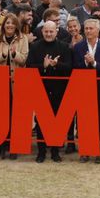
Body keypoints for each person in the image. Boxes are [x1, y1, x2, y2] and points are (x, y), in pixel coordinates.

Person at [28, 20, 72, 163]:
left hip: (59, 90)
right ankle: (41, 151)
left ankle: (55, 151)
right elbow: (29, 67)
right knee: (40, 122)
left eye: (51, 31)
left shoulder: (64, 47)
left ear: (56, 32)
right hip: (41, 89)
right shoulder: (35, 47)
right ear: (42, 32)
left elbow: (70, 67)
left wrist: (56, 64)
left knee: (57, 121)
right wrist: (43, 66)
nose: (48, 34)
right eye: (46, 31)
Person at [72, 18, 100, 162]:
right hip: (83, 89)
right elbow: (75, 68)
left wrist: (94, 63)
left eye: (91, 28)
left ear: (98, 30)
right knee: (83, 121)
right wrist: (85, 62)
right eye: (86, 28)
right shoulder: (77, 47)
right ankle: (85, 151)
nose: (88, 31)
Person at [0, 12, 29, 159]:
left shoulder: (23, 38)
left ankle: (14, 145)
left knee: (15, 114)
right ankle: (1, 145)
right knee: (1, 114)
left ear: (16, 25)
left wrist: (14, 54)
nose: (10, 25)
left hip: (16, 82)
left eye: (12, 23)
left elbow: (24, 59)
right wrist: (4, 55)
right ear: (4, 25)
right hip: (0, 83)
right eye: (7, 23)